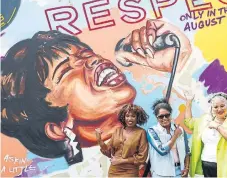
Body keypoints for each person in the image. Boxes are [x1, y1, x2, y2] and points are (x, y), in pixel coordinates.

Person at [1, 19, 192, 176]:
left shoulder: (154, 138)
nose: (93, 60)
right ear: (56, 128)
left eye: (86, 54)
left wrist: (180, 59)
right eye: (66, 70)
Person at [184, 91, 227, 177]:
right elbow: (189, 122)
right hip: (206, 164)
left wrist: (217, 126)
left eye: (222, 106)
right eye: (215, 107)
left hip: (226, 166)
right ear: (212, 108)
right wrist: (188, 101)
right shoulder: (205, 119)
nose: (219, 109)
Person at [95, 104, 149, 177]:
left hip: (130, 171)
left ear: (137, 118)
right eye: (127, 116)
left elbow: (142, 157)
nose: (130, 119)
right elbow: (108, 151)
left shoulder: (141, 133)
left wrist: (121, 161)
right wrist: (99, 140)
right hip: (114, 171)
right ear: (123, 117)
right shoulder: (117, 131)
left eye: (133, 116)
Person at [147, 98, 190, 177]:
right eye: (161, 116)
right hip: (161, 173)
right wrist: (175, 135)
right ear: (156, 117)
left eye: (167, 115)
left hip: (179, 172)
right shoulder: (152, 131)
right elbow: (162, 150)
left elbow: (187, 151)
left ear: (171, 114)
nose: (164, 118)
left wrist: (187, 168)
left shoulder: (180, 129)